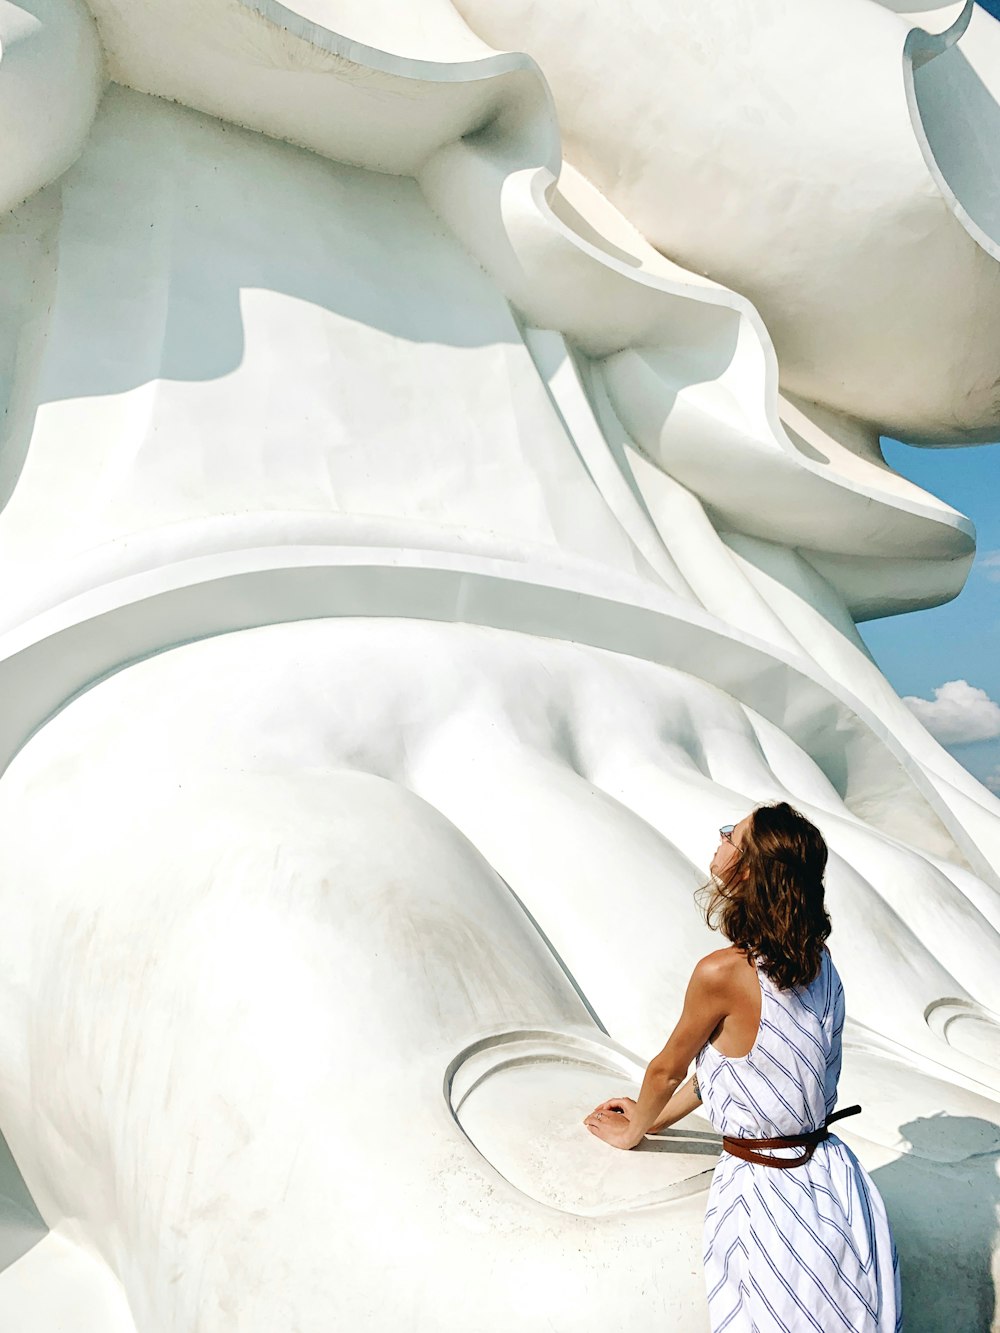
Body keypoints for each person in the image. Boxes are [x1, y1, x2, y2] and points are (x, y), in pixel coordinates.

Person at [584, 802, 902, 1332]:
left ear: (749, 869)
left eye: (733, 834)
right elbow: (735, 1072)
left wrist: (633, 1131)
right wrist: (655, 1117)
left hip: (770, 1193)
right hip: (836, 1186)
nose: (722, 836)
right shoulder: (820, 962)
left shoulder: (722, 973)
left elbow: (667, 1070)